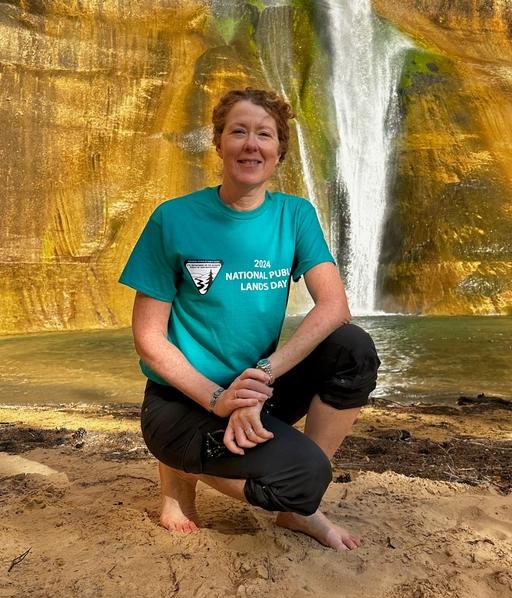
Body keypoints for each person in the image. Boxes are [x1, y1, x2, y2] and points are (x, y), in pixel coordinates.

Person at [119, 87, 380, 551]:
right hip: (182, 402)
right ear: (218, 143)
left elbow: (334, 307)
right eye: (238, 132)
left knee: (353, 349)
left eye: (264, 134)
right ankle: (180, 472)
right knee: (302, 480)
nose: (251, 144)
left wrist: (259, 378)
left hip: (257, 390)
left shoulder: (295, 214)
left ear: (279, 151)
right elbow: (148, 340)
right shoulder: (173, 219)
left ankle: (296, 506)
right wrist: (219, 398)